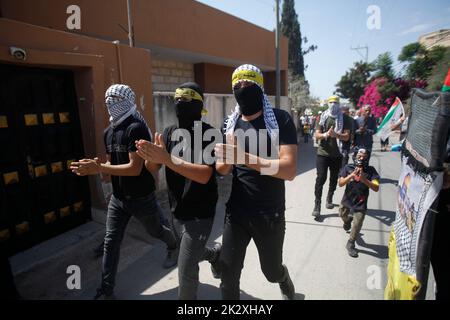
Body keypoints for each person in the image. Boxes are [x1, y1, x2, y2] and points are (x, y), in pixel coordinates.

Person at [70, 84, 178, 299]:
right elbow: (111, 164)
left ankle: (173, 245)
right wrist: (101, 172)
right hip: (118, 199)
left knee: (156, 230)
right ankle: (106, 290)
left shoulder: (135, 128)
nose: (110, 102)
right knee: (111, 241)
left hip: (141, 196)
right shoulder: (108, 132)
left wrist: (99, 168)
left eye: (116, 98)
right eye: (107, 98)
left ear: (128, 101)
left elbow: (134, 168)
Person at [214, 64, 298, 300]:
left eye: (248, 84)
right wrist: (228, 161)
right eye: (237, 85)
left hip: (268, 214)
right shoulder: (229, 124)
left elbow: (289, 169)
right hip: (236, 213)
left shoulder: (280, 120)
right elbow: (221, 168)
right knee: (228, 276)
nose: (243, 88)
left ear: (260, 87)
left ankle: (283, 278)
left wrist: (244, 158)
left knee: (270, 272)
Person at [135, 82, 222, 300]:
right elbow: (153, 168)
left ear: (198, 104)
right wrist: (151, 157)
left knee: (186, 272)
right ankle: (214, 254)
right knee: (191, 252)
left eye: (185, 99)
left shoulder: (210, 134)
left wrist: (167, 158)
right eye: (177, 99)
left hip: (201, 211)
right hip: (177, 209)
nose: (179, 103)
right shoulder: (168, 132)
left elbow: (204, 175)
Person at [312, 95, 352, 220]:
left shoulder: (345, 118)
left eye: (335, 102)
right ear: (328, 103)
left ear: (339, 104)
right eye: (331, 102)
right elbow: (316, 134)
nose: (333, 104)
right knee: (320, 178)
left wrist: (336, 135)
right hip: (323, 153)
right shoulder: (323, 116)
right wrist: (325, 134)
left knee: (334, 178)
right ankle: (317, 204)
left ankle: (330, 196)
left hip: (337, 155)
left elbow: (346, 137)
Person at [338, 148, 380, 257]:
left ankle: (351, 243)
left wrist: (364, 180)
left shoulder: (371, 170)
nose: (361, 158)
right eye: (359, 156)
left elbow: (376, 187)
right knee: (342, 214)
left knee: (358, 223)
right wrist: (351, 176)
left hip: (361, 202)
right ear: (355, 156)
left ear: (367, 158)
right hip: (347, 199)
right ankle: (347, 221)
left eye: (364, 157)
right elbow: (340, 183)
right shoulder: (348, 167)